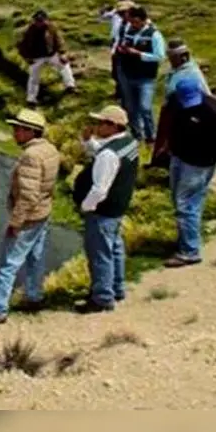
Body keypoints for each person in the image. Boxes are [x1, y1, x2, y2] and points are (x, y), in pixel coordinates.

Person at [0, 109, 61, 324]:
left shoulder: (31, 156)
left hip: (29, 218)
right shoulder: (50, 149)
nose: (14, 133)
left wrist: (16, 222)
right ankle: (34, 295)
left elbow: (28, 195)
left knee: (6, 265)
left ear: (29, 131)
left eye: (17, 129)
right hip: (43, 213)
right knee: (35, 257)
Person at [71, 105, 139, 314]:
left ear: (113, 126)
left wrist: (86, 206)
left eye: (101, 122)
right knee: (115, 248)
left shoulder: (109, 155)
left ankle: (101, 298)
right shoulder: (129, 143)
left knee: (100, 253)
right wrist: (88, 142)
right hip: (118, 207)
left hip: (102, 211)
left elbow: (100, 188)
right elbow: (103, 152)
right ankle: (116, 288)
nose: (97, 125)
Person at [163, 77, 216, 268]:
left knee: (186, 204)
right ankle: (187, 239)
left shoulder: (212, 109)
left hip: (199, 163)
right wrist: (165, 145)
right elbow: (169, 122)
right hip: (179, 157)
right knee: (181, 202)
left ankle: (190, 252)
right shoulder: (174, 101)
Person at [150, 40, 212, 168]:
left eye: (173, 58)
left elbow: (204, 94)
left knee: (175, 138)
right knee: (163, 137)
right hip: (171, 108)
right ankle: (158, 164)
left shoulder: (192, 73)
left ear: (183, 57)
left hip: (183, 110)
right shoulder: (175, 70)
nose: (171, 61)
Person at [114, 5, 166, 145]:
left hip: (146, 77)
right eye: (131, 22)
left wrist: (140, 54)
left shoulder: (154, 34)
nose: (133, 24)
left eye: (135, 22)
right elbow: (123, 43)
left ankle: (151, 136)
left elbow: (160, 56)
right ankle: (137, 135)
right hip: (128, 74)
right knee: (130, 108)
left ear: (143, 20)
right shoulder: (129, 30)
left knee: (145, 107)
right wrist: (122, 49)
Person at [16, 9, 77, 107]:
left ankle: (70, 85)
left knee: (64, 66)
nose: (39, 23)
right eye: (37, 20)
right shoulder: (29, 31)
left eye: (41, 20)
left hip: (51, 55)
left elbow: (59, 40)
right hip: (36, 57)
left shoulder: (52, 28)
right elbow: (22, 45)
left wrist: (62, 53)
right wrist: (26, 57)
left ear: (46, 20)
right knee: (33, 78)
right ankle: (31, 99)